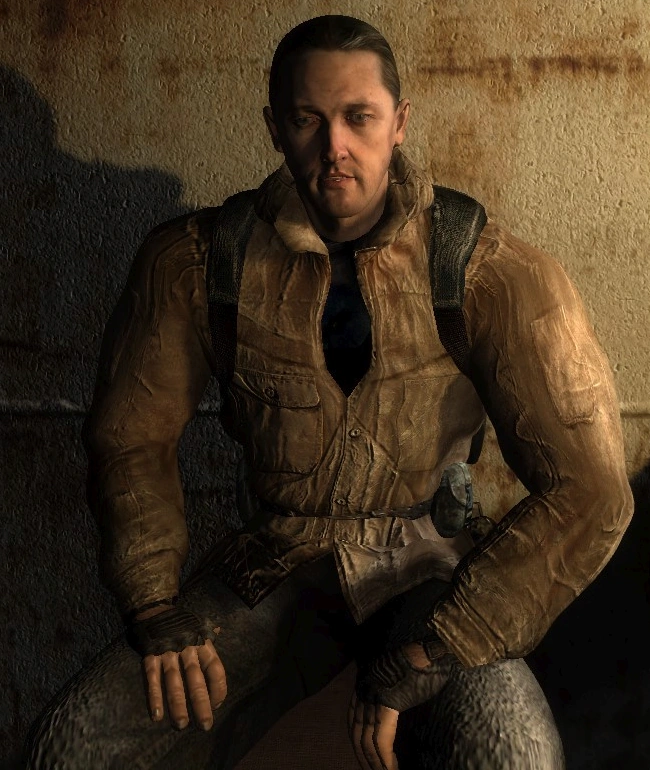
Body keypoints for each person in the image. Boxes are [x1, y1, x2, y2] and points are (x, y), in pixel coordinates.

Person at [24, 14, 633, 770]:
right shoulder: (198, 262)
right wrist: (154, 602)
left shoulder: (486, 268)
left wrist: (442, 647)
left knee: (513, 754)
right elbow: (131, 438)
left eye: (358, 117)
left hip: (432, 568)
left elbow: (591, 488)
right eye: (308, 119)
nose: (334, 146)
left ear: (399, 123)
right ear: (275, 128)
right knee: (73, 747)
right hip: (275, 565)